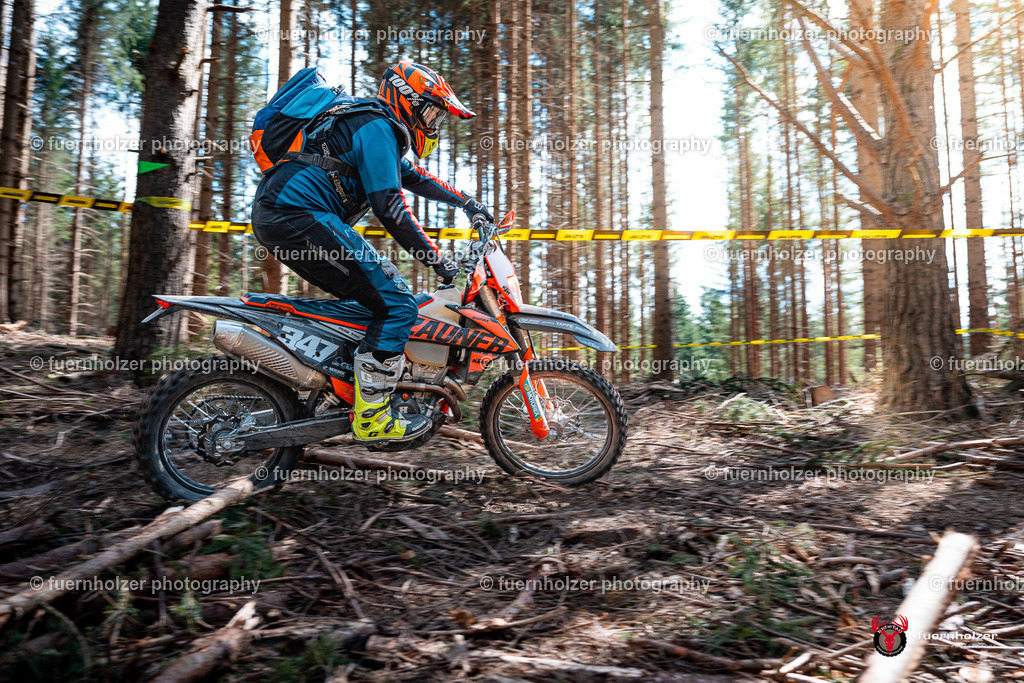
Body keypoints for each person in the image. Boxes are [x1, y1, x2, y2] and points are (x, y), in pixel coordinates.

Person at [251, 61, 492, 445]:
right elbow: (391, 208)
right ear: (407, 100)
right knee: (397, 304)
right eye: (431, 112)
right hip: (294, 215)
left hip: (287, 216)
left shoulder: (374, 127)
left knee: (377, 301)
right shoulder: (377, 126)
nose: (433, 124)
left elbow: (414, 177)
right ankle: (372, 415)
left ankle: (345, 385)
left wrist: (467, 202)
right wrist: (439, 263)